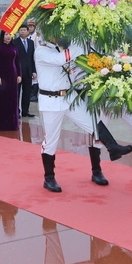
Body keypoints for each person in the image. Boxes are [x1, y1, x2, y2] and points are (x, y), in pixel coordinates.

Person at [34, 33, 108, 191]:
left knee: (93, 125)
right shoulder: (41, 50)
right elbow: (60, 60)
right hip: (51, 101)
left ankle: (112, 149)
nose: (61, 37)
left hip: (68, 98)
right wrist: (78, 43)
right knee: (51, 141)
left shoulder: (59, 48)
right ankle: (49, 178)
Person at [0, 30, 22, 132]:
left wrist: (19, 75)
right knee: (2, 100)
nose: (8, 36)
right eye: (6, 34)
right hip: (2, 76)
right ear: (2, 36)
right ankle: (1, 124)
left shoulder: (14, 47)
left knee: (13, 99)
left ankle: (13, 124)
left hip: (13, 76)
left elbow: (17, 62)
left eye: (10, 34)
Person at [14, 25, 37, 118]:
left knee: (27, 92)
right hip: (18, 72)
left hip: (28, 71)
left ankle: (25, 111)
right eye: (21, 30)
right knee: (17, 93)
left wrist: (34, 71)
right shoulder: (15, 42)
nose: (23, 32)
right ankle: (16, 111)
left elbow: (32, 58)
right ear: (18, 32)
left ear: (28, 31)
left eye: (24, 30)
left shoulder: (31, 42)